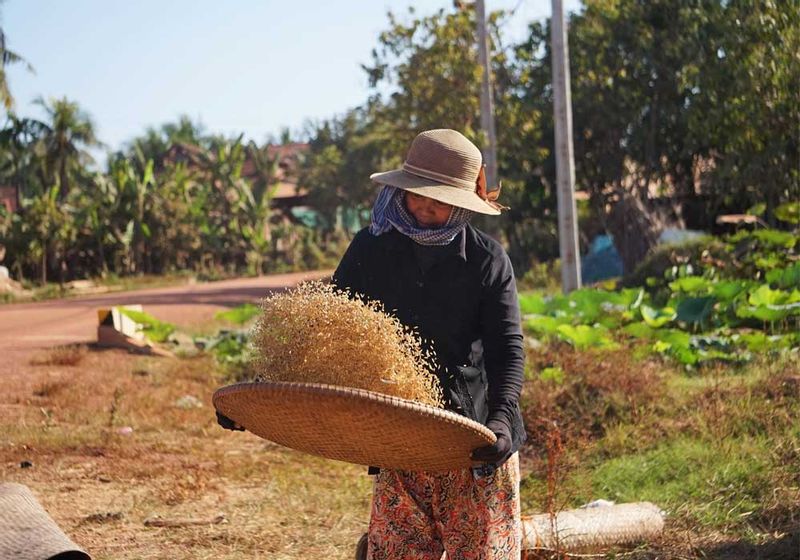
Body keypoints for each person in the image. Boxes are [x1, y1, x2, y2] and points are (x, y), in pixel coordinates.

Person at [333, 129, 526, 560]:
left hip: (473, 444)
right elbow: (331, 327)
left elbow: (507, 348)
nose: (423, 206)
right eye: (416, 194)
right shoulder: (371, 248)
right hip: (400, 438)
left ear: (462, 202)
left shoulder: (487, 261)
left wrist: (501, 420)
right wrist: (272, 394)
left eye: (437, 199)